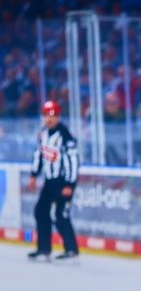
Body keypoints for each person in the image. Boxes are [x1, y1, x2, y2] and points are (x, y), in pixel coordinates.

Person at [28, 100, 79, 261]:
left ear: (58, 117)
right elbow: (39, 155)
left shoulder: (65, 135)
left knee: (60, 214)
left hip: (63, 181)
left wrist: (70, 184)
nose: (49, 119)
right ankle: (44, 249)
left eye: (53, 116)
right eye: (46, 116)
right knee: (40, 211)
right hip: (49, 181)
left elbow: (73, 161)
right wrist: (34, 175)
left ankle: (71, 250)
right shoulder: (43, 134)